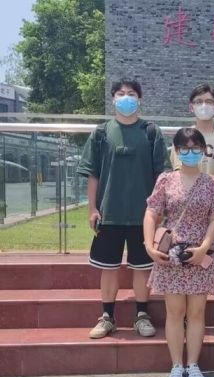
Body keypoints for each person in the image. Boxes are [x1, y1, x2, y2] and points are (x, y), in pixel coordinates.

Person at [76, 77, 171, 340]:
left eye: (131, 93)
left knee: (142, 267)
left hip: (144, 215)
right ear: (113, 99)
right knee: (109, 267)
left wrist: (160, 211)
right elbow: (93, 174)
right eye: (120, 93)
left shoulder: (151, 132)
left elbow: (162, 175)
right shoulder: (101, 132)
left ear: (139, 99)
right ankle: (107, 317)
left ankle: (142, 316)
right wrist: (92, 208)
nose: (126, 97)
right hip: (109, 213)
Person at [144, 128, 214, 377]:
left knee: (197, 312)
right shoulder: (166, 180)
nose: (190, 153)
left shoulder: (212, 183)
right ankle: (177, 365)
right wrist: (149, 246)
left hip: (200, 255)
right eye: (184, 149)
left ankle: (193, 364)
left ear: (203, 150)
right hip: (172, 256)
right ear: (176, 151)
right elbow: (152, 213)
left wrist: (204, 248)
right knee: (175, 312)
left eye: (195, 148)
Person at [169, 84, 214, 335]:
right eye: (199, 101)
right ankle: (186, 313)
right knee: (187, 258)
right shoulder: (184, 136)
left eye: (209, 101)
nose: (204, 106)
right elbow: (178, 173)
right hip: (188, 214)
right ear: (191, 106)